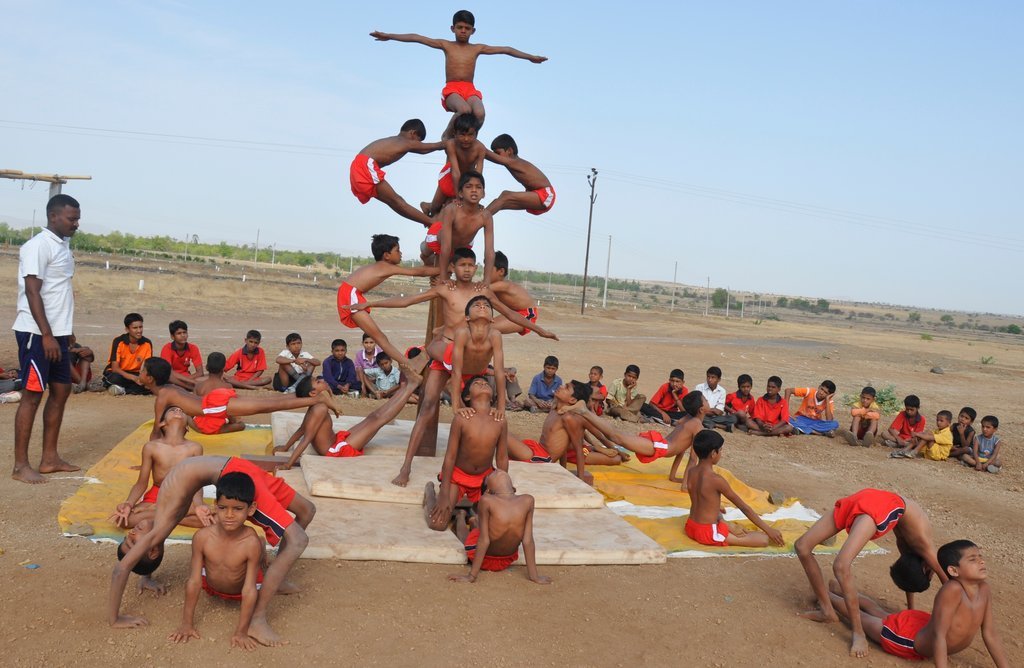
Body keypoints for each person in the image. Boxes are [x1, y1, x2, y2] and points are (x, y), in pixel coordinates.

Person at [353, 248, 555, 486]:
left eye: (471, 265)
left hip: (471, 361)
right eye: (462, 265)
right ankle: (406, 467)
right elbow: (407, 301)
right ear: (453, 267)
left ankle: (489, 470)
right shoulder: (445, 289)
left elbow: (511, 314)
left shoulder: (482, 292)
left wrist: (539, 330)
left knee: (486, 417)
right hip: (447, 356)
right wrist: (371, 304)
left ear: (476, 268)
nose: (466, 270)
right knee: (427, 408)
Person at [108, 455, 315, 647]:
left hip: (235, 467)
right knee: (298, 540)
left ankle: (275, 580)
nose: (131, 534)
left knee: (307, 510)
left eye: (128, 540)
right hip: (234, 472)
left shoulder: (162, 520)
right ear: (151, 551)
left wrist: (146, 576)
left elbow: (147, 548)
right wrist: (114, 619)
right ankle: (257, 618)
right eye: (133, 544)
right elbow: (121, 569)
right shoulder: (160, 527)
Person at [794, 488, 945, 658]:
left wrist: (911, 611)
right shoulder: (925, 546)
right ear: (927, 570)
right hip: (874, 506)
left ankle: (853, 629)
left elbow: (908, 574)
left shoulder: (910, 546)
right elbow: (948, 584)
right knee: (804, 547)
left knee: (835, 563)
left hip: (869, 501)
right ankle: (832, 613)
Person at [824, 540, 1008, 665]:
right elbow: (939, 636)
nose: (981, 562)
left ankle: (838, 589)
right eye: (973, 559)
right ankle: (827, 596)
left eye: (980, 557)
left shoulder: (984, 589)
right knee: (865, 619)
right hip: (907, 639)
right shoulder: (952, 590)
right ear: (953, 571)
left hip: (920, 624)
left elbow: (989, 633)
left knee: (879, 612)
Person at [370, 10, 546, 137]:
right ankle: (447, 135)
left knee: (480, 113)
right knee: (464, 110)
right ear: (452, 28)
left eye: (467, 28)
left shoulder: (477, 48)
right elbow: (418, 38)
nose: (463, 31)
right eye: (460, 27)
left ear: (473, 31)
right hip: (452, 89)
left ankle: (470, 137)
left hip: (470, 89)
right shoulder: (446, 45)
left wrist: (530, 57)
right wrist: (389, 36)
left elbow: (506, 49)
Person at [11, 194, 81, 483]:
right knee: (32, 396)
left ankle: (49, 459)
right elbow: (32, 291)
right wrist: (48, 335)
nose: (76, 224)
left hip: (57, 334)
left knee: (62, 390)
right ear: (53, 216)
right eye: (71, 218)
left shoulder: (62, 245)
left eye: (77, 219)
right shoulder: (38, 246)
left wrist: (66, 331)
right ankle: (20, 466)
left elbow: (58, 291)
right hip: (37, 334)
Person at [168, 471, 266, 650]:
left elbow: (249, 589)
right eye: (222, 508)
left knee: (266, 582)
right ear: (215, 506)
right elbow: (194, 581)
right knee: (206, 566)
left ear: (251, 509)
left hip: (239, 591)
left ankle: (263, 551)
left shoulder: (250, 543)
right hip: (210, 586)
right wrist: (186, 624)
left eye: (238, 509)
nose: (229, 515)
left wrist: (241, 632)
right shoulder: (202, 537)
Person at [142, 357, 339, 439]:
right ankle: (313, 397)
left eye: (142, 370)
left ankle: (316, 399)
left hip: (214, 406)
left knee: (267, 405)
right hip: (215, 400)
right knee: (267, 403)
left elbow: (156, 431)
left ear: (150, 378)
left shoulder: (163, 395)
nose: (139, 372)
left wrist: (148, 460)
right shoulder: (168, 388)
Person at [273, 371, 423, 469]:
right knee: (378, 420)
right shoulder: (320, 409)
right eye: (318, 382)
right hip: (336, 451)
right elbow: (306, 437)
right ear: (313, 393)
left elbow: (302, 429)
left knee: (373, 417)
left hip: (337, 441)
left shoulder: (316, 405)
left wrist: (286, 447)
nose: (321, 380)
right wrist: (289, 464)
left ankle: (405, 387)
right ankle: (410, 387)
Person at [336, 234, 441, 372]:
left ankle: (408, 364)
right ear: (386, 255)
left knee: (379, 337)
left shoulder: (382, 266)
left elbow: (422, 270)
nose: (401, 253)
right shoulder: (385, 267)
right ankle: (410, 364)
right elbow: (418, 271)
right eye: (397, 250)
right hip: (350, 295)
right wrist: (444, 270)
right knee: (379, 337)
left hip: (350, 293)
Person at [424, 376, 509, 531]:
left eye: (486, 383)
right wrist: (444, 493)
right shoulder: (461, 419)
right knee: (437, 524)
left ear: (492, 396)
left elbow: (502, 457)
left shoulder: (500, 420)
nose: (483, 384)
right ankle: (430, 492)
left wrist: (504, 489)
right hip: (458, 477)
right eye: (477, 383)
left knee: (493, 525)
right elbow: (450, 457)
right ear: (468, 396)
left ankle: (461, 516)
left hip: (484, 479)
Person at [573, 391, 707, 486]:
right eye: (705, 400)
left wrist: (674, 477)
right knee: (616, 436)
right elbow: (693, 458)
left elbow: (681, 448)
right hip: (660, 446)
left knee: (616, 436)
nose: (707, 401)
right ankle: (584, 411)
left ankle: (585, 412)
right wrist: (686, 485)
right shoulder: (697, 425)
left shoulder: (688, 418)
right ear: (701, 409)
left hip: (660, 444)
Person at [684, 430, 785, 547]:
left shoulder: (691, 472)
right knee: (764, 539)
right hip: (707, 533)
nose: (721, 453)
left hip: (691, 526)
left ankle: (724, 525)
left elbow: (701, 500)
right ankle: (724, 528)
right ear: (713, 453)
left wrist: (719, 515)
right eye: (721, 450)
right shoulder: (716, 480)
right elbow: (744, 508)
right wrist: (768, 530)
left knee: (720, 512)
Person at [110, 405, 204, 529]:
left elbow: (197, 483)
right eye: (172, 410)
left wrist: (199, 505)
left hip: (184, 495)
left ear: (187, 426)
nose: (178, 410)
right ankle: (176, 514)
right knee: (123, 520)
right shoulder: (151, 447)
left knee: (209, 519)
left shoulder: (195, 448)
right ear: (162, 423)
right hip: (158, 493)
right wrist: (128, 504)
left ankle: (159, 512)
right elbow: (141, 483)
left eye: (182, 411)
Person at [449, 470, 549, 584]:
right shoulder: (528, 500)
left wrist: (471, 576)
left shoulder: (486, 500)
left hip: (486, 559)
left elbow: (484, 540)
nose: (497, 471)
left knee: (473, 536)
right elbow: (528, 540)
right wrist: (534, 576)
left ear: (488, 491)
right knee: (482, 528)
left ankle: (460, 517)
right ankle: (473, 521)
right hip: (507, 559)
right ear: (513, 488)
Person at [349, 119, 445, 227]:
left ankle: (428, 220)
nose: (417, 144)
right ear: (412, 133)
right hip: (364, 165)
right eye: (418, 141)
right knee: (397, 201)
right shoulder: (404, 141)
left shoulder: (396, 141)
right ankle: (432, 222)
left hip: (358, 168)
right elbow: (427, 148)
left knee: (394, 203)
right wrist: (447, 143)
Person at [422, 169, 495, 283]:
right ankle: (425, 257)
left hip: (463, 246)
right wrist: (443, 277)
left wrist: (486, 281)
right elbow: (445, 247)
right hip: (439, 239)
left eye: (478, 187)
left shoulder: (486, 216)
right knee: (426, 251)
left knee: (444, 278)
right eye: (469, 187)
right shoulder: (452, 210)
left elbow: (489, 251)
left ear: (483, 193)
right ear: (460, 193)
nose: (474, 190)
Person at [420, 114, 489, 218]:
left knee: (460, 205)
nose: (466, 139)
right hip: (450, 174)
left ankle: (434, 210)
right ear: (455, 134)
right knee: (435, 207)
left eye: (470, 135)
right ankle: (428, 206)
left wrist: (476, 200)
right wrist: (458, 197)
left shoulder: (480, 148)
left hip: (467, 178)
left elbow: (478, 174)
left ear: (476, 134)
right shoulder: (451, 144)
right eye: (462, 135)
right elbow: (455, 173)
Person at [484, 134, 556, 216]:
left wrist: (478, 147)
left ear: (509, 151)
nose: (496, 155)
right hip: (534, 193)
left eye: (497, 153)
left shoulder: (515, 161)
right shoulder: (510, 162)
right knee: (500, 202)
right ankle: (479, 217)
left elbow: (489, 155)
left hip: (546, 194)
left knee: (506, 195)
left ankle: (480, 218)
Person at [488, 251, 543, 336]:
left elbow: (480, 290)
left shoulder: (503, 285)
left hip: (527, 314)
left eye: (488, 268)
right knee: (483, 326)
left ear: (501, 271)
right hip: (513, 313)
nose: (485, 272)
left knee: (487, 328)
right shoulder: (495, 286)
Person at [103, 312, 154, 396]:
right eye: (135, 328)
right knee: (115, 378)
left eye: (141, 327)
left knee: (151, 382)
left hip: (137, 373)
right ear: (127, 329)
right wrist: (133, 378)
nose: (139, 331)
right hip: (120, 373)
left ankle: (121, 390)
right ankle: (128, 389)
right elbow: (115, 368)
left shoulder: (147, 343)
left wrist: (142, 378)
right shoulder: (118, 341)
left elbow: (146, 367)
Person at [160, 320, 204, 391]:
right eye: (179, 333)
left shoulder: (193, 348)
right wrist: (190, 381)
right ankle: (190, 387)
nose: (183, 335)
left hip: (187, 378)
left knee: (209, 377)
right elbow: (169, 372)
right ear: (172, 336)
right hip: (172, 379)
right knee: (168, 377)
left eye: (184, 332)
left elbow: (200, 372)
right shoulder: (167, 348)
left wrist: (187, 379)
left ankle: (182, 386)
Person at [696, 366, 735, 432]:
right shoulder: (699, 387)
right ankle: (719, 425)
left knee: (733, 418)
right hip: (701, 415)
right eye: (708, 377)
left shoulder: (722, 391)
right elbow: (696, 407)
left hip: (714, 416)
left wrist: (705, 409)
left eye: (713, 377)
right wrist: (713, 410)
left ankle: (710, 423)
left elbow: (719, 411)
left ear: (719, 379)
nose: (709, 380)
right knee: (696, 416)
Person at [354, 333, 382, 397]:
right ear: (362, 343)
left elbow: (383, 370)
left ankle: (371, 392)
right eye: (366, 343)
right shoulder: (359, 354)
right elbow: (358, 371)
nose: (368, 345)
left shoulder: (380, 352)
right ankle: (364, 388)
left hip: (378, 380)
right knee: (359, 370)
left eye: (371, 342)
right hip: (364, 380)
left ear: (376, 343)